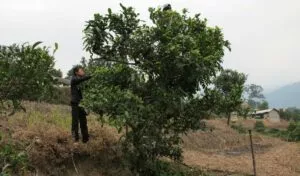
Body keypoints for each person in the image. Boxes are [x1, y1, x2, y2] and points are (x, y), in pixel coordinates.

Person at [70, 65, 92, 143]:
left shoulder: (81, 81)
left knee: (83, 121)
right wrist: (90, 76)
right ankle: (75, 140)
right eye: (81, 70)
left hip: (81, 104)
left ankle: (85, 140)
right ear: (76, 72)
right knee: (75, 122)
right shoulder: (74, 79)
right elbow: (81, 79)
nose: (83, 71)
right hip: (75, 103)